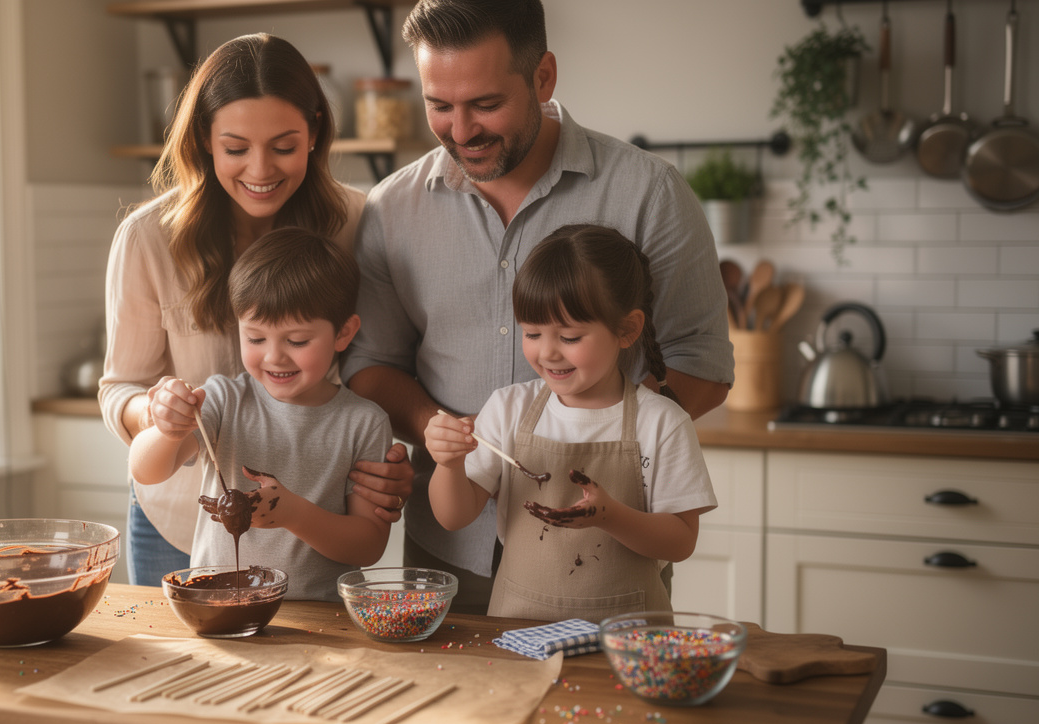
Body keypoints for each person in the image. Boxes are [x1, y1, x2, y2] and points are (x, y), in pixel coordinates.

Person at [341, 0, 733, 614]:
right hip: (450, 548)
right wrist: (446, 438)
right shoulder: (392, 209)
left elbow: (703, 367)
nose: (461, 130)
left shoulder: (648, 193)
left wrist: (599, 447)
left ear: (543, 77)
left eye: (486, 104)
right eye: (439, 106)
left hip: (610, 552)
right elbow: (368, 365)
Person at [99, 33, 412, 588]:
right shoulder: (148, 238)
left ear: (315, 132)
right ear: (204, 140)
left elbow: (379, 363)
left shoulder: (360, 222)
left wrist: (387, 462)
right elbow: (120, 387)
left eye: (284, 146)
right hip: (177, 522)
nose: (261, 169)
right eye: (236, 148)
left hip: (313, 533)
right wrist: (161, 416)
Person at [424, 224, 716, 621]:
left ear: (627, 329)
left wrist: (611, 516)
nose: (547, 352)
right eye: (532, 333)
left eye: (571, 337)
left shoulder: (662, 423)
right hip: (518, 630)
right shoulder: (508, 409)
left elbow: (681, 542)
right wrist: (449, 463)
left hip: (626, 641)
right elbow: (452, 516)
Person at [129, 228, 394, 601]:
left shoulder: (364, 423)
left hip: (323, 620)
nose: (274, 357)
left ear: (343, 333)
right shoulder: (222, 399)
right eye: (255, 338)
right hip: (222, 606)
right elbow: (145, 470)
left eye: (297, 341)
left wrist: (296, 515)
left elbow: (367, 546)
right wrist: (167, 428)